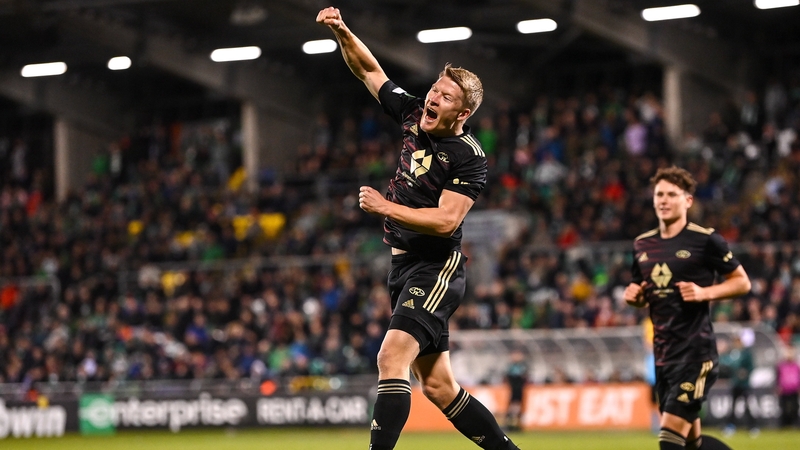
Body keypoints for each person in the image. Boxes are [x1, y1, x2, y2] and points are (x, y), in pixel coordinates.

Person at [317, 7, 520, 450]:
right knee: (441, 388)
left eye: (445, 97)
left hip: (435, 267)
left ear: (462, 112)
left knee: (390, 356)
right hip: (403, 267)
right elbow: (370, 70)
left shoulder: (469, 156)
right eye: (434, 89)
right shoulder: (412, 113)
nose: (432, 98)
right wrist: (342, 32)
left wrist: (386, 206)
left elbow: (448, 219)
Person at [624, 166, 751, 450]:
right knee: (692, 443)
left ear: (688, 201)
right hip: (663, 356)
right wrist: (635, 297)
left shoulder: (705, 240)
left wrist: (705, 292)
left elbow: (742, 283)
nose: (664, 200)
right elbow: (642, 292)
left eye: (672, 194)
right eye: (659, 194)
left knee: (669, 439)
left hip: (696, 354)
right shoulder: (642, 245)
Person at [720, 333, 757, 436]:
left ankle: (752, 427)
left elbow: (751, 366)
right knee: (733, 407)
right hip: (735, 383)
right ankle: (730, 426)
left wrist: (746, 373)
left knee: (747, 406)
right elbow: (727, 364)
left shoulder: (746, 353)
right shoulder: (733, 353)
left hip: (744, 384)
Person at [504, 348, 529, 432]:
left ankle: (517, 424)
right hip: (513, 390)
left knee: (518, 406)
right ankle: (510, 424)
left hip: (519, 390)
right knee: (512, 406)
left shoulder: (522, 366)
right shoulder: (511, 366)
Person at [776, 346, 800, 428]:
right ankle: (784, 425)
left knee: (795, 408)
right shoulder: (781, 366)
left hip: (794, 389)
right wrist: (778, 387)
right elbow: (778, 378)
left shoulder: (796, 365)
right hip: (784, 390)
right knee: (783, 408)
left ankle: (795, 424)